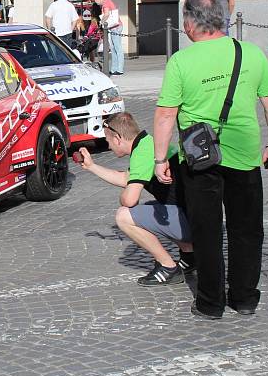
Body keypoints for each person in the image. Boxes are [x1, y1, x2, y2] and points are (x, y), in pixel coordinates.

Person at [153, 0, 268, 319]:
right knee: (246, 228)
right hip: (243, 155)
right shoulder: (250, 53)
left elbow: (166, 114)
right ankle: (244, 298)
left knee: (207, 231)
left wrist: (159, 160)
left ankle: (210, 303)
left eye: (185, 18)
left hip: (199, 159)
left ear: (193, 22)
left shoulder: (181, 61)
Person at [77, 112, 195, 286]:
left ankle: (168, 267)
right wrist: (92, 166)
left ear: (117, 138)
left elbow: (130, 200)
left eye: (108, 141)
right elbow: (126, 178)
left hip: (192, 221)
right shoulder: (147, 143)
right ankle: (190, 255)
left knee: (123, 216)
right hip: (194, 214)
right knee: (154, 208)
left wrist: (124, 196)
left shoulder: (142, 152)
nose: (108, 146)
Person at [94, 0, 123, 75]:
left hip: (115, 27)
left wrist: (101, 22)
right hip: (113, 27)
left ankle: (119, 69)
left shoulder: (105, 3)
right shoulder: (107, 1)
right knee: (114, 49)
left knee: (117, 48)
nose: (96, 2)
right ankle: (114, 69)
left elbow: (106, 14)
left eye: (95, 0)